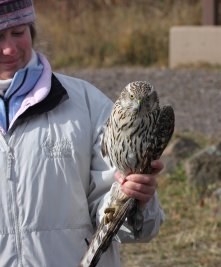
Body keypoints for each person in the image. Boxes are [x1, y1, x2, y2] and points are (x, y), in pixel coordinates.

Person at [0, 0, 164, 266]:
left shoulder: (87, 103)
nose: (9, 48)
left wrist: (132, 199)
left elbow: (123, 224)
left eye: (18, 32)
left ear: (31, 30)